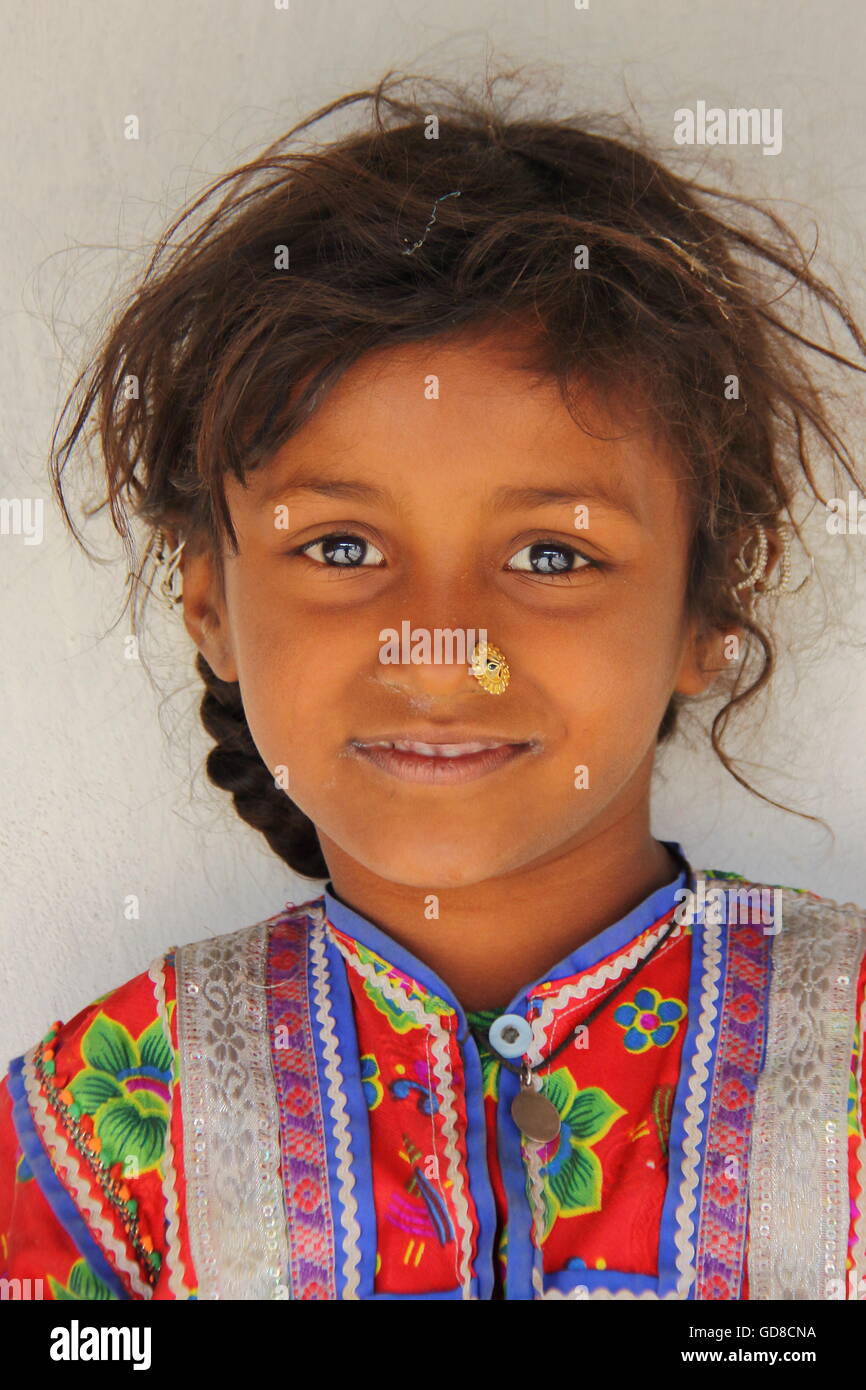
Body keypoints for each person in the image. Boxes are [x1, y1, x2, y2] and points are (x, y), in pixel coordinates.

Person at [2, 70, 865, 1302]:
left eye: (551, 555)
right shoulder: (102, 1126)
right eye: (341, 548)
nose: (438, 645)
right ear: (212, 607)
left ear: (704, 614)